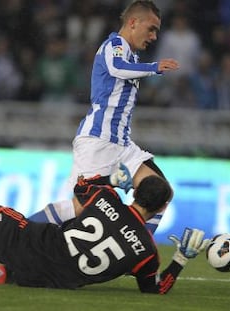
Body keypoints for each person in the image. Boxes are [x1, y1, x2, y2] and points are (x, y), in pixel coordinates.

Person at [0, 165, 209, 293]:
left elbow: (81, 185)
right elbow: (154, 290)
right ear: (158, 209)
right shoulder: (147, 253)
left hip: (30, 242)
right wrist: (181, 258)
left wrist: (113, 181)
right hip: (49, 281)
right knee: (13, 274)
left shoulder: (107, 198)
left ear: (135, 193)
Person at [29, 0, 179, 234]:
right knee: (80, 210)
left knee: (160, 193)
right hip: (98, 141)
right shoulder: (114, 45)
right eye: (151, 29)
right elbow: (117, 67)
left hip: (123, 145)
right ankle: (16, 234)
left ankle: (137, 250)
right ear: (132, 22)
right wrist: (155, 67)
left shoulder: (133, 57)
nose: (153, 37)